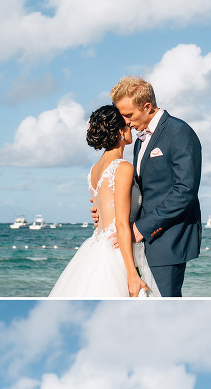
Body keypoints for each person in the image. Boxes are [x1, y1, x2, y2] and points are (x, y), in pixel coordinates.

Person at [49, 105, 160, 298]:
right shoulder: (123, 167)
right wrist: (132, 274)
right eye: (126, 125)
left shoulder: (94, 169)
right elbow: (121, 224)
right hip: (118, 249)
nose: (131, 127)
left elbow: (100, 210)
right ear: (119, 131)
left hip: (96, 247)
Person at [105, 77, 202, 298]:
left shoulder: (179, 132)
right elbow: (143, 190)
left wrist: (142, 228)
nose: (126, 122)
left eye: (128, 115)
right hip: (141, 241)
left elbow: (185, 190)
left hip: (168, 241)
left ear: (147, 106)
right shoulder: (140, 140)